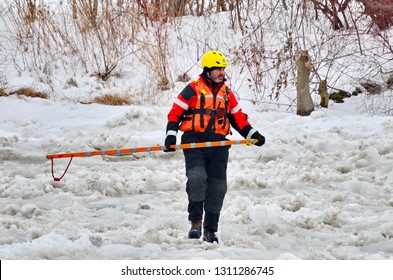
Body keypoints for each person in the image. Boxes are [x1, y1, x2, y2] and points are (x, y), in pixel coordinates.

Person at [164, 50, 265, 243]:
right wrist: (170, 136)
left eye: (223, 69)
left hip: (218, 145)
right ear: (208, 70)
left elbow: (238, 119)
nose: (221, 72)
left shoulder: (227, 94)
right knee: (197, 178)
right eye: (218, 69)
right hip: (194, 142)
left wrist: (253, 135)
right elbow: (175, 113)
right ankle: (195, 222)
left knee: (218, 187)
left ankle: (210, 230)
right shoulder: (192, 89)